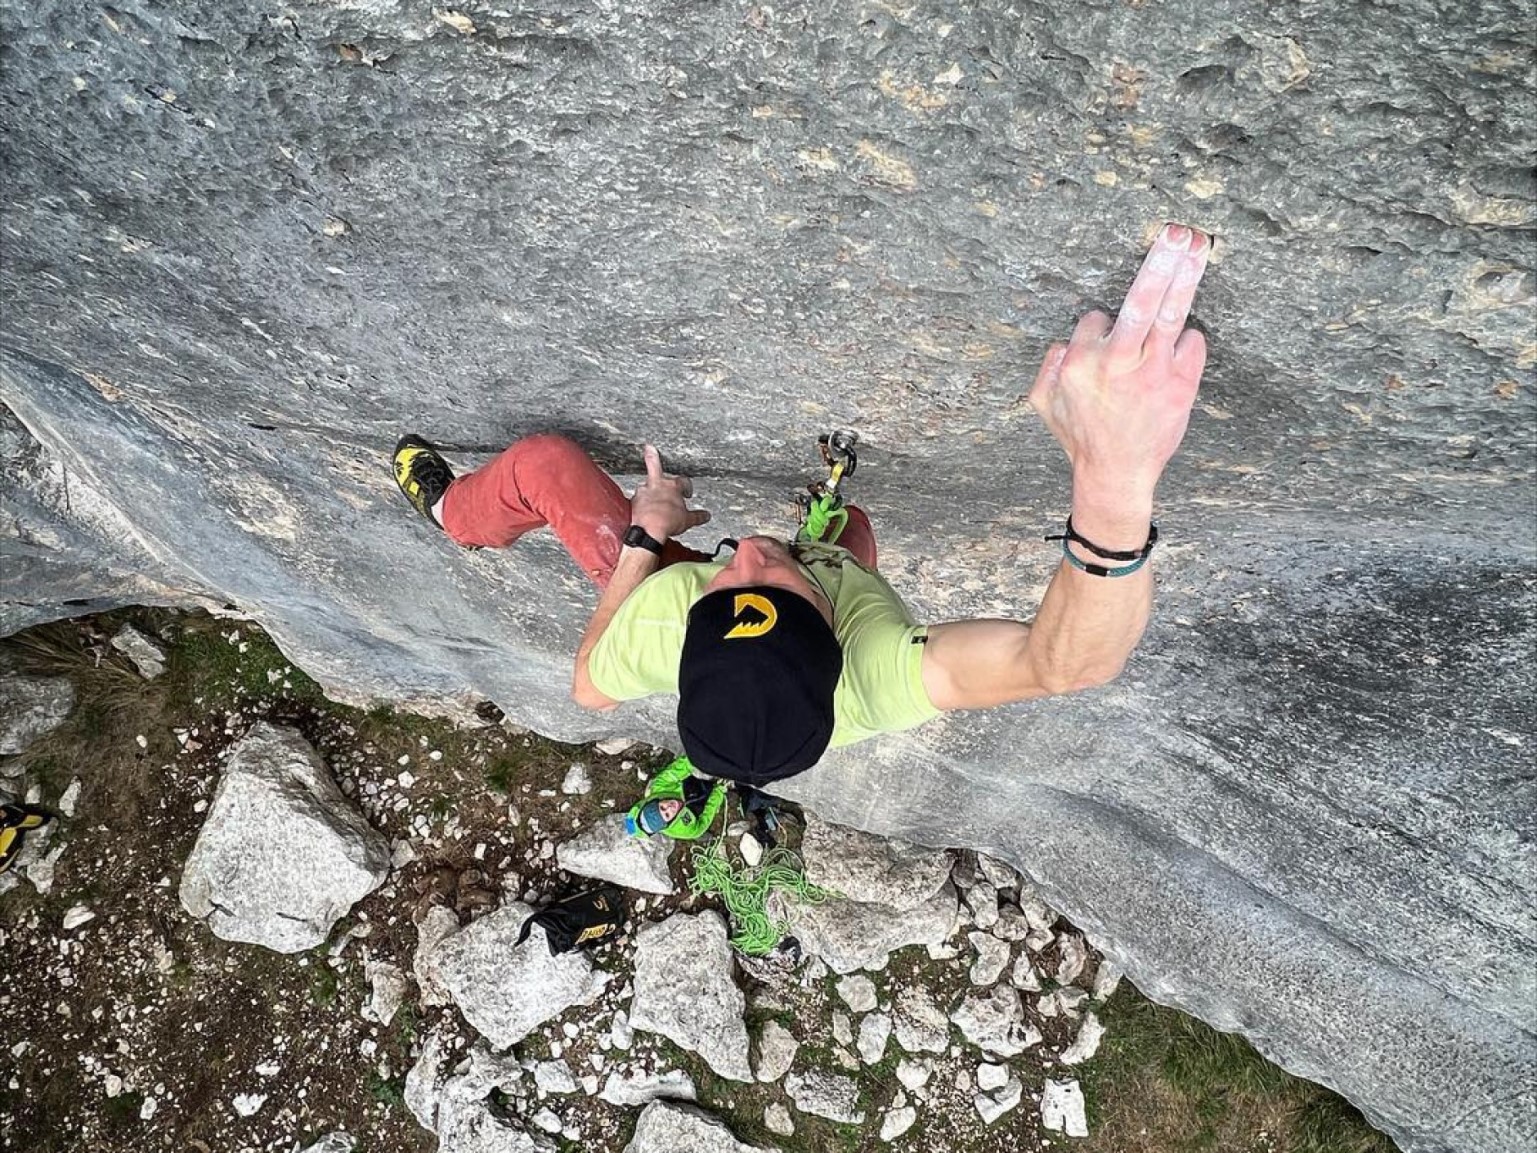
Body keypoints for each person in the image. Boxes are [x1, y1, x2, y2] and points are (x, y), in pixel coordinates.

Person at [393, 224, 1212, 806]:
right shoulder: (881, 672)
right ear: (837, 634)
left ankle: (454, 515)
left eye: (734, 580)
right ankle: (824, 553)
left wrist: (644, 541)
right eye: (775, 579)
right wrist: (1113, 475)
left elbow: (587, 687)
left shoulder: (665, 624)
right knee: (852, 537)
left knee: (542, 464)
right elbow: (1062, 665)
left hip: (668, 583)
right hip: (790, 616)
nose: (746, 546)